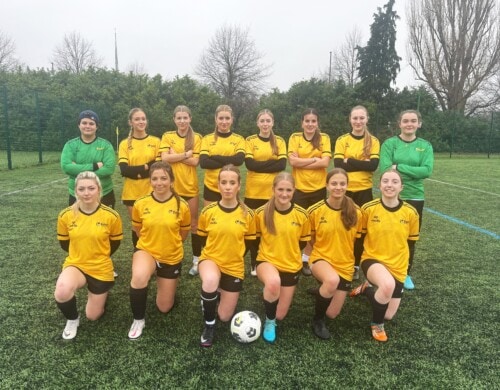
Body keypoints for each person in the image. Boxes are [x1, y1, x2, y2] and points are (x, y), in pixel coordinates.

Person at [349, 169, 420, 342]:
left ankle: (367, 289)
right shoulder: (368, 209)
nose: (390, 185)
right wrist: (355, 265)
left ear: (401, 187)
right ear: (379, 186)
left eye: (394, 182)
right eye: (386, 181)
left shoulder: (411, 213)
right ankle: (377, 324)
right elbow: (359, 240)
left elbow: (411, 244)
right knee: (387, 286)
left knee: (389, 314)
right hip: (373, 260)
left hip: (398, 266)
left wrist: (407, 269)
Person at [54, 171, 123, 340]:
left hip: (101, 267)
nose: (86, 193)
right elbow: (65, 243)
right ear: (75, 191)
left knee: (93, 316)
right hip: (76, 264)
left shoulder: (111, 216)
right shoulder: (66, 215)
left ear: (99, 189)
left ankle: (103, 294)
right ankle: (72, 319)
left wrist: (99, 255)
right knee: (62, 291)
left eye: (91, 188)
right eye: (82, 189)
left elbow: (115, 243)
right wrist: (80, 255)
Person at [127, 161, 191, 339]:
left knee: (164, 307)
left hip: (171, 256)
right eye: (154, 178)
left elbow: (183, 233)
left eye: (164, 178)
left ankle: (166, 284)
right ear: (150, 181)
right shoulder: (141, 203)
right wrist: (151, 244)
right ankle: (138, 319)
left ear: (171, 180)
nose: (159, 182)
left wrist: (169, 244)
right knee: (139, 276)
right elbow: (138, 230)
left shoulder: (182, 205)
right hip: (147, 250)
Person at [197, 165, 256, 347]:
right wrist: (212, 257)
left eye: (232, 183)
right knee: (210, 280)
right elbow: (202, 240)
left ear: (239, 186)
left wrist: (233, 256)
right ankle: (209, 325)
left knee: (225, 316)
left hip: (234, 266)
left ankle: (215, 293)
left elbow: (249, 243)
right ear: (218, 185)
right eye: (224, 182)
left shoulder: (248, 214)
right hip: (211, 259)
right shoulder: (208, 212)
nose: (228, 187)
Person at [379, 110, 433, 290]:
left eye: (413, 121)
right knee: (385, 234)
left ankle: (405, 273)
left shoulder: (425, 146)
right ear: (399, 123)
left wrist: (399, 167)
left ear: (419, 124)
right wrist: (405, 172)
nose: (409, 124)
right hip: (390, 196)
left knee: (409, 238)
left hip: (415, 197)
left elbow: (426, 171)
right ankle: (382, 271)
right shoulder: (390, 143)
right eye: (405, 121)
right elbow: (386, 169)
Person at [254, 172, 310, 343]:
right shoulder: (261, 213)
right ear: (273, 190)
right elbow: (255, 241)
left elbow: (302, 243)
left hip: (291, 266)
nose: (284, 194)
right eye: (280, 189)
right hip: (266, 261)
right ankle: (269, 322)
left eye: (288, 190)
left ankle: (272, 306)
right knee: (273, 283)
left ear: (294, 191)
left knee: (280, 314)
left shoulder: (302, 215)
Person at [307, 168, 362, 339]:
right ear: (327, 185)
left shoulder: (357, 212)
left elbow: (357, 241)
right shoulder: (315, 210)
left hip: (345, 265)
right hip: (321, 259)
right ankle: (317, 320)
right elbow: (311, 239)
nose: (338, 187)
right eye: (334, 183)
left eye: (342, 184)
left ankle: (321, 291)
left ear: (347, 185)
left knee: (333, 313)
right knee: (331, 280)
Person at [333, 105, 380, 279]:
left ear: (367, 119)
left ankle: (355, 266)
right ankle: (340, 261)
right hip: (344, 192)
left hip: (364, 191)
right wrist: (362, 162)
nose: (358, 121)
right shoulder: (342, 140)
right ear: (350, 120)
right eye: (355, 118)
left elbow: (373, 166)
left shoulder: (373, 141)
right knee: (342, 227)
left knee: (361, 230)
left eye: (362, 118)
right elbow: (338, 164)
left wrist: (350, 160)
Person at [160, 106, 203, 277]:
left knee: (193, 224)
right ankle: (170, 257)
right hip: (171, 189)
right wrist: (185, 154)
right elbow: (165, 158)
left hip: (190, 188)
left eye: (185, 117)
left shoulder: (197, 137)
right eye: (179, 118)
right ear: (174, 119)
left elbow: (195, 162)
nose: (182, 121)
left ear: (190, 118)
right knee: (171, 223)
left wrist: (176, 155)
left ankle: (196, 259)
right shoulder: (167, 136)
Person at [288, 108, 331, 276]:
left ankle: (307, 258)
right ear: (302, 122)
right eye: (307, 121)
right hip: (299, 188)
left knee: (314, 226)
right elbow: (293, 162)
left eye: (313, 121)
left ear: (317, 123)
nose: (310, 124)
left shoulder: (324, 138)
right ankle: (294, 258)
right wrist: (314, 159)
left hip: (318, 188)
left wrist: (302, 161)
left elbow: (325, 163)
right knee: (297, 224)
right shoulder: (294, 137)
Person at [244, 109, 287, 276]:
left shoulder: (280, 141)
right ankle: (254, 262)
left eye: (268, 121)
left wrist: (260, 165)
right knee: (254, 230)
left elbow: (282, 165)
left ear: (272, 123)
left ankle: (270, 259)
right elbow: (250, 165)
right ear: (257, 123)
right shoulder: (250, 140)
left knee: (270, 228)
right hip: (253, 192)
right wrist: (271, 163)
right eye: (262, 121)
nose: (265, 124)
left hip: (272, 193)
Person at [118, 108, 160, 249]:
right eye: (137, 119)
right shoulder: (125, 144)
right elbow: (124, 170)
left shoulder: (155, 141)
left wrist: (137, 170)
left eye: (143, 118)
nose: (141, 121)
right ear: (131, 122)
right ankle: (139, 254)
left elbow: (158, 168)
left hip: (152, 191)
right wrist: (147, 167)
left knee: (153, 225)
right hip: (132, 192)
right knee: (137, 227)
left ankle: (155, 256)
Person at [61, 110, 116, 208]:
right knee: (78, 222)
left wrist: (78, 169)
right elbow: (66, 167)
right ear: (79, 125)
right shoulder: (70, 145)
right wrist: (94, 166)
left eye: (91, 123)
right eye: (84, 123)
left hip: (104, 192)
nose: (87, 126)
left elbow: (109, 169)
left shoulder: (106, 145)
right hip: (77, 194)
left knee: (105, 223)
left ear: (96, 126)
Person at [199, 104, 245, 209]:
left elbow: (238, 160)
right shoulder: (207, 139)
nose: (224, 122)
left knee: (230, 219)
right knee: (211, 219)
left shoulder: (239, 139)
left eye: (227, 118)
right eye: (221, 118)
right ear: (216, 119)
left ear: (232, 119)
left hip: (231, 187)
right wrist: (229, 160)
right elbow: (204, 163)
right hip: (211, 186)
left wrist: (215, 157)